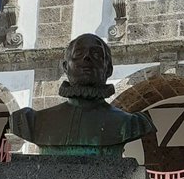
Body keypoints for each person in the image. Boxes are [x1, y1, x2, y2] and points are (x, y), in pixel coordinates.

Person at [9, 34, 154, 155]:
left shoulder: (131, 124)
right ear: (66, 67)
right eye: (78, 53)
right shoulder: (32, 122)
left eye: (96, 54)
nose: (87, 58)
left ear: (108, 69)